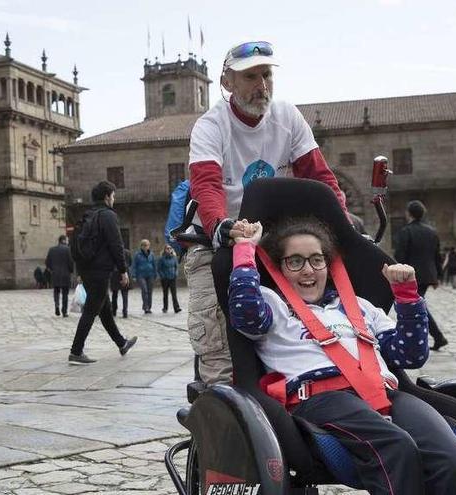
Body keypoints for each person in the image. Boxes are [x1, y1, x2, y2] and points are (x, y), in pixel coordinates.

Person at [229, 217, 456, 495]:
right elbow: (246, 315)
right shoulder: (272, 304)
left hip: (385, 394)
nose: (308, 270)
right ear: (279, 267)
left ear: (328, 264)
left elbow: (411, 355)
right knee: (396, 447)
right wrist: (245, 249)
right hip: (321, 397)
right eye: (295, 261)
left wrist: (407, 297)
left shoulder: (361, 307)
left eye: (317, 260)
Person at [187, 40, 349, 384]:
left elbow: (319, 177)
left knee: (294, 327)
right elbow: (206, 185)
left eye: (266, 75)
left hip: (273, 240)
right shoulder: (210, 125)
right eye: (250, 77)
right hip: (217, 238)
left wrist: (345, 228)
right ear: (227, 82)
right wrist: (222, 226)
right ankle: (220, 416)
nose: (262, 85)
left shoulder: (287, 116)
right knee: (217, 339)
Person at [69, 180, 138, 365]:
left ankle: (121, 343)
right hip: (100, 270)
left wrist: (80, 271)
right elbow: (116, 245)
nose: (114, 199)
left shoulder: (87, 215)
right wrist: (123, 270)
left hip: (87, 268)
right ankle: (76, 351)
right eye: (113, 196)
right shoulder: (107, 216)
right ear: (107, 197)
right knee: (91, 310)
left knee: (105, 309)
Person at [394, 200, 448, 351]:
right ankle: (437, 337)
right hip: (428, 275)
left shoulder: (406, 232)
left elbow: (400, 255)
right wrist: (438, 276)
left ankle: (437, 337)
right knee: (419, 304)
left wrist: (398, 274)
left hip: (412, 276)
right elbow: (437, 256)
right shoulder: (432, 231)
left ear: (408, 213)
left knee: (418, 306)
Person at [46, 235, 75, 317]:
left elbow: (47, 262)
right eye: (67, 240)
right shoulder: (68, 250)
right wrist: (71, 271)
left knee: (56, 291)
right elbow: (71, 262)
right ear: (63, 240)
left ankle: (57, 305)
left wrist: (52, 269)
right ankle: (64, 311)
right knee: (65, 293)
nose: (68, 241)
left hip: (55, 274)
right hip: (65, 274)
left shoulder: (52, 250)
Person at [132, 239, 157, 314]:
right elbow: (134, 265)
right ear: (141, 246)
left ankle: (149, 307)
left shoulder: (151, 254)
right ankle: (145, 307)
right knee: (144, 290)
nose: (146, 247)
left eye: (147, 245)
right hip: (141, 275)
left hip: (150, 275)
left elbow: (154, 264)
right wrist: (133, 275)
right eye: (144, 245)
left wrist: (155, 274)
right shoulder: (137, 255)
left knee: (150, 291)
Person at [157, 244, 182, 313]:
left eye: (170, 248)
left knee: (174, 294)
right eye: (167, 248)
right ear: (164, 250)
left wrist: (175, 273)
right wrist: (162, 276)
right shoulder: (162, 258)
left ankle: (176, 307)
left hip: (172, 278)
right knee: (165, 294)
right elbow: (159, 269)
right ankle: (165, 307)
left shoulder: (174, 258)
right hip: (165, 278)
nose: (169, 250)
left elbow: (176, 266)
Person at [110, 248, 132, 318]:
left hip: (115, 274)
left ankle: (114, 311)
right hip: (125, 273)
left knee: (115, 294)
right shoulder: (127, 252)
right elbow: (130, 263)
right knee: (125, 294)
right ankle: (125, 312)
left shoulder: (112, 252)